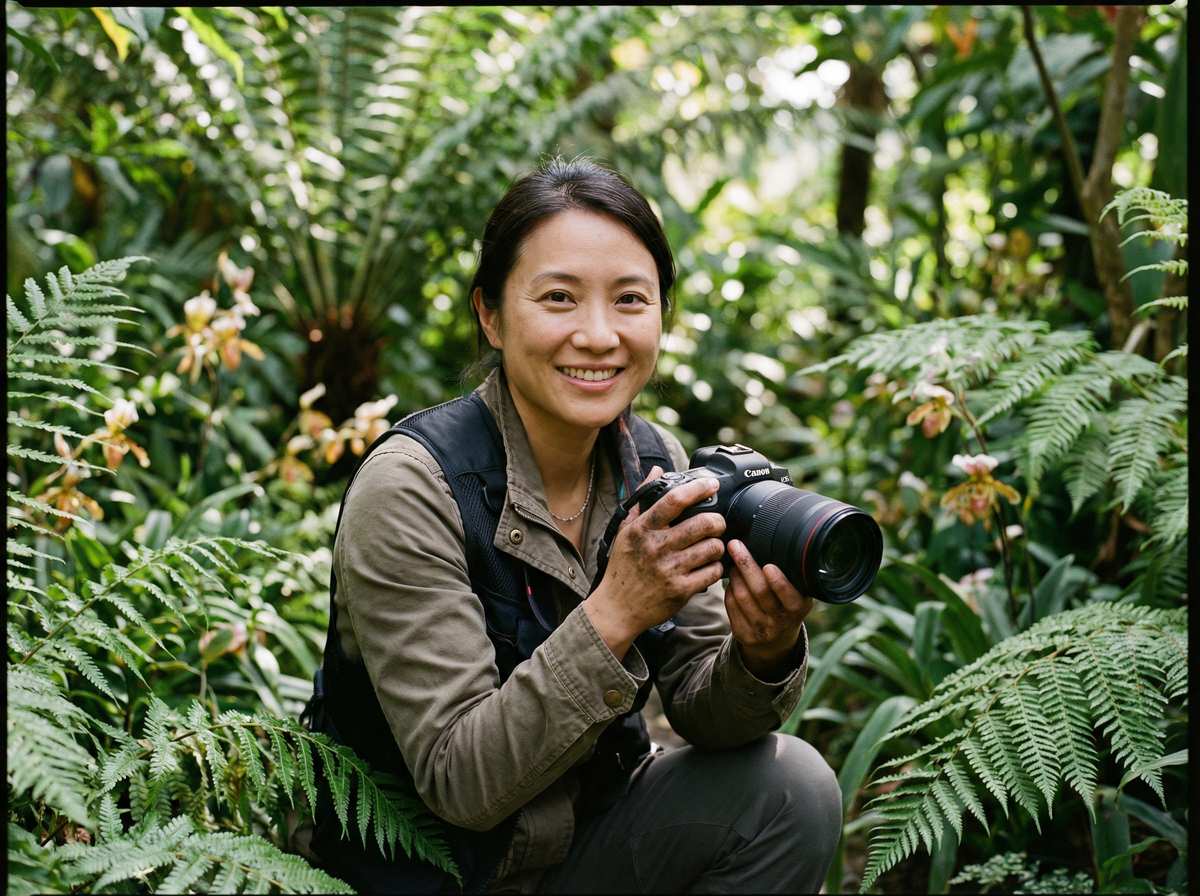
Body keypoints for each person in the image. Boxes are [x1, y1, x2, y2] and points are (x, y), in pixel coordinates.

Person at [302, 156, 842, 894]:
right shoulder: (412, 486)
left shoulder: (656, 464)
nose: (598, 335)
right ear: (489, 314)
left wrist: (763, 652)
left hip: (575, 857)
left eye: (629, 300)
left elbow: (708, 714)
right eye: (559, 297)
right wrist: (619, 608)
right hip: (421, 876)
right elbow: (462, 781)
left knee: (792, 791)